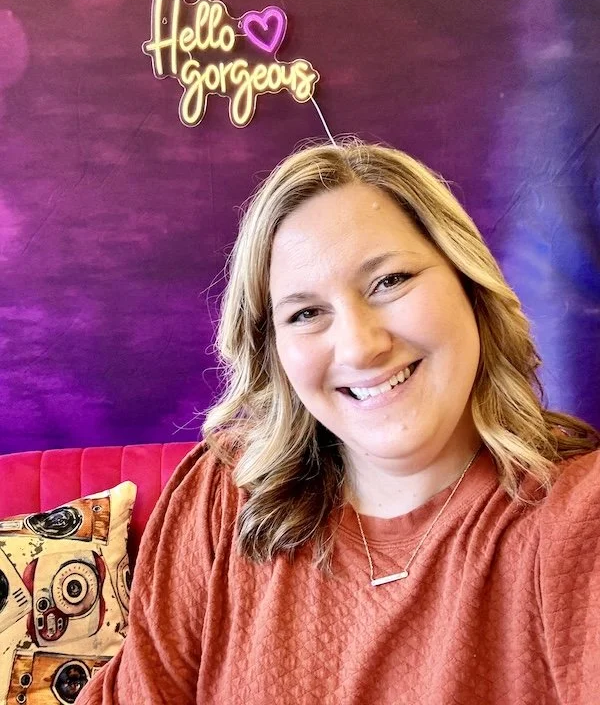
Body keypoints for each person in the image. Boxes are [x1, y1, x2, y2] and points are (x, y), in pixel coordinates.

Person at [78, 140, 599, 705]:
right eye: (305, 313)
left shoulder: (574, 518)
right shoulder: (222, 498)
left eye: (390, 281)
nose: (359, 346)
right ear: (273, 351)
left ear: (469, 283)